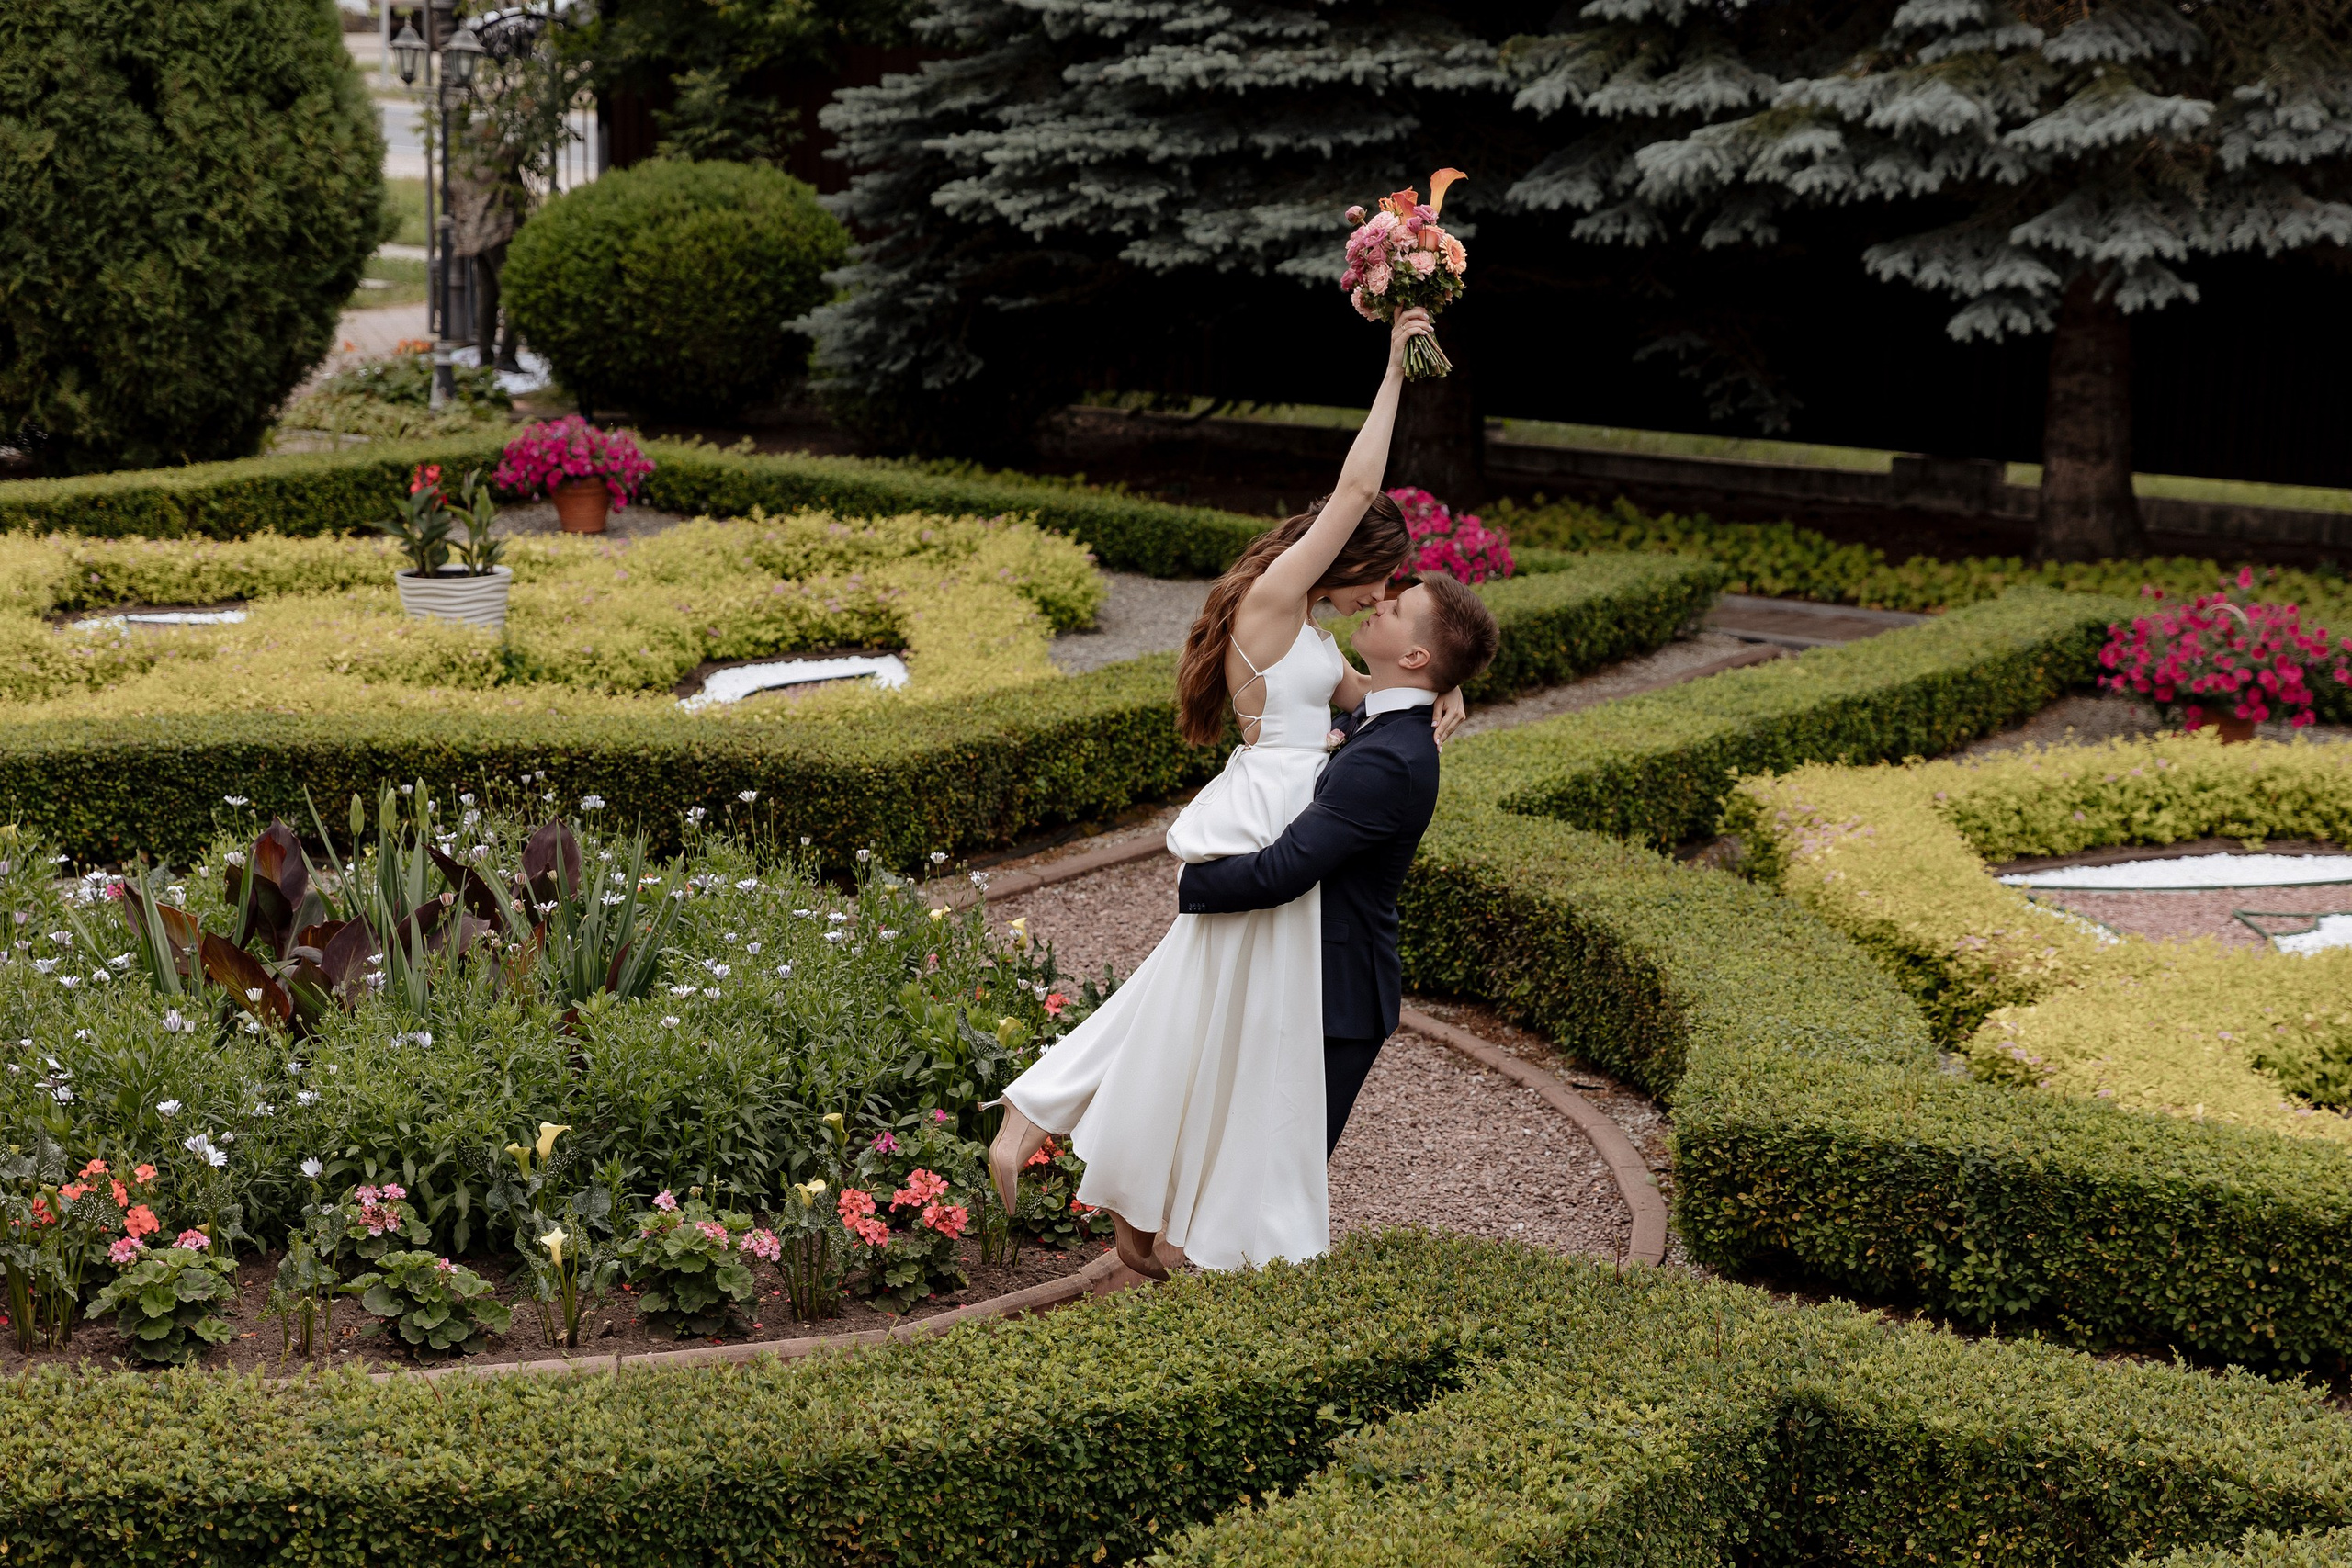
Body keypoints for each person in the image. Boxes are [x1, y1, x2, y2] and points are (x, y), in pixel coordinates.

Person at [988, 306, 1463, 1279]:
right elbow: (1360, 482)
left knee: (1196, 1014)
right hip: (1266, 818)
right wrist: (1391, 371)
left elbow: (1379, 697)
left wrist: (1444, 682)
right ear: (1342, 559)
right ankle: (1062, 1139)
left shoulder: (1319, 644)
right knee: (1195, 1011)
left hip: (1291, 811)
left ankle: (1091, 1166)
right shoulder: (1275, 601)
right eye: (1376, 583)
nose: (1378, 600)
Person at [1176, 572, 1500, 1155]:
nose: (1380, 603)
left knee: (1281, 1171)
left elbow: (1285, 870)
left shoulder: (1391, 757)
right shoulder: (1379, 716)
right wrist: (1444, 684)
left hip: (1335, 995)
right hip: (1304, 968)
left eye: (1397, 609)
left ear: (1415, 653)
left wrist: (1191, 881)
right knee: (1236, 1152)